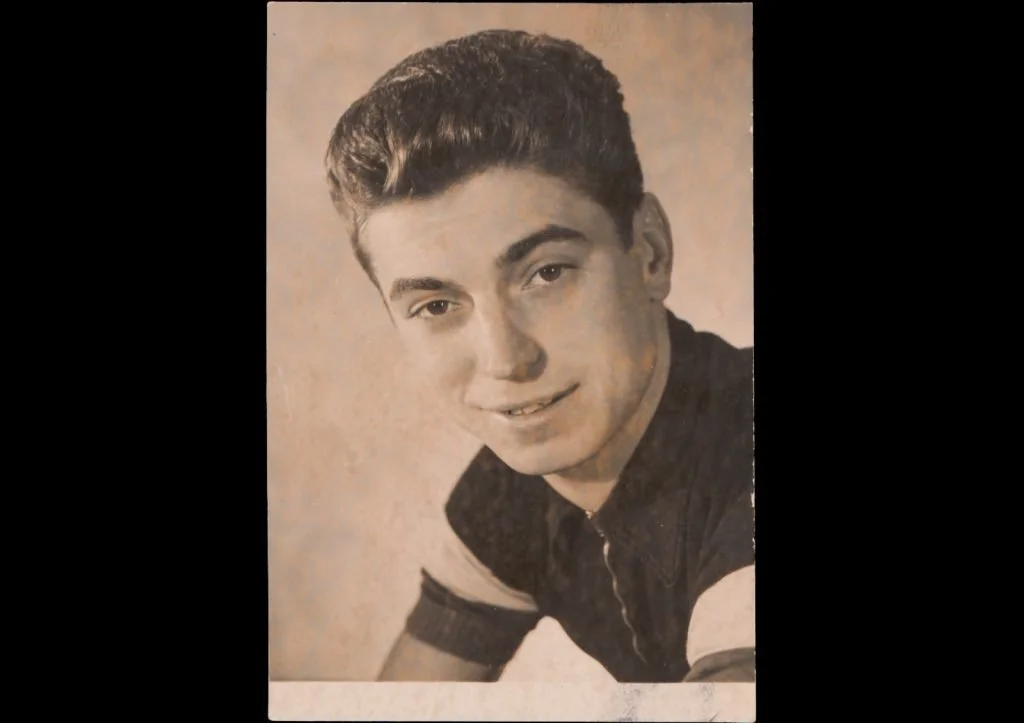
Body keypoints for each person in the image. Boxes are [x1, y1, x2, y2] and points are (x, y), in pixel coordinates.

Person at [323, 29, 754, 683]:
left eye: (546, 273)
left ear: (650, 252)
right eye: (437, 305)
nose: (506, 360)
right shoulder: (509, 486)